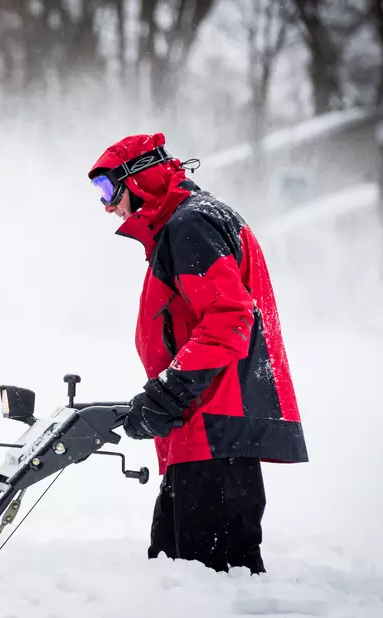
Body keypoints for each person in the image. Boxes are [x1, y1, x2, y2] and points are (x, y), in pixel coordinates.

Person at [87, 133, 308, 575]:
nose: (107, 206)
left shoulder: (189, 226)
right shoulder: (192, 222)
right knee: (179, 579)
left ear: (138, 180)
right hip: (202, 434)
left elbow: (230, 317)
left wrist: (168, 394)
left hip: (211, 436)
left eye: (109, 191)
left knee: (206, 586)